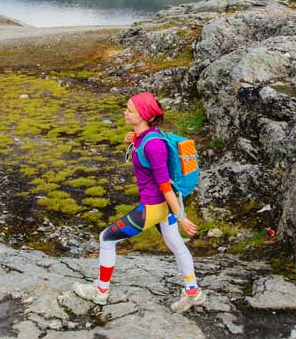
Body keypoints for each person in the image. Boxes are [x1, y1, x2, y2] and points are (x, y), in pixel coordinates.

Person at [73, 92, 204, 312]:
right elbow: (143, 144)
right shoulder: (148, 135)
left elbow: (164, 185)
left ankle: (100, 291)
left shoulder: (153, 146)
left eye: (130, 110)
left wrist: (181, 216)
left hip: (153, 208)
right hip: (162, 208)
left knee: (106, 238)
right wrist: (132, 138)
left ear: (143, 115)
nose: (125, 112)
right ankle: (193, 292)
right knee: (177, 246)